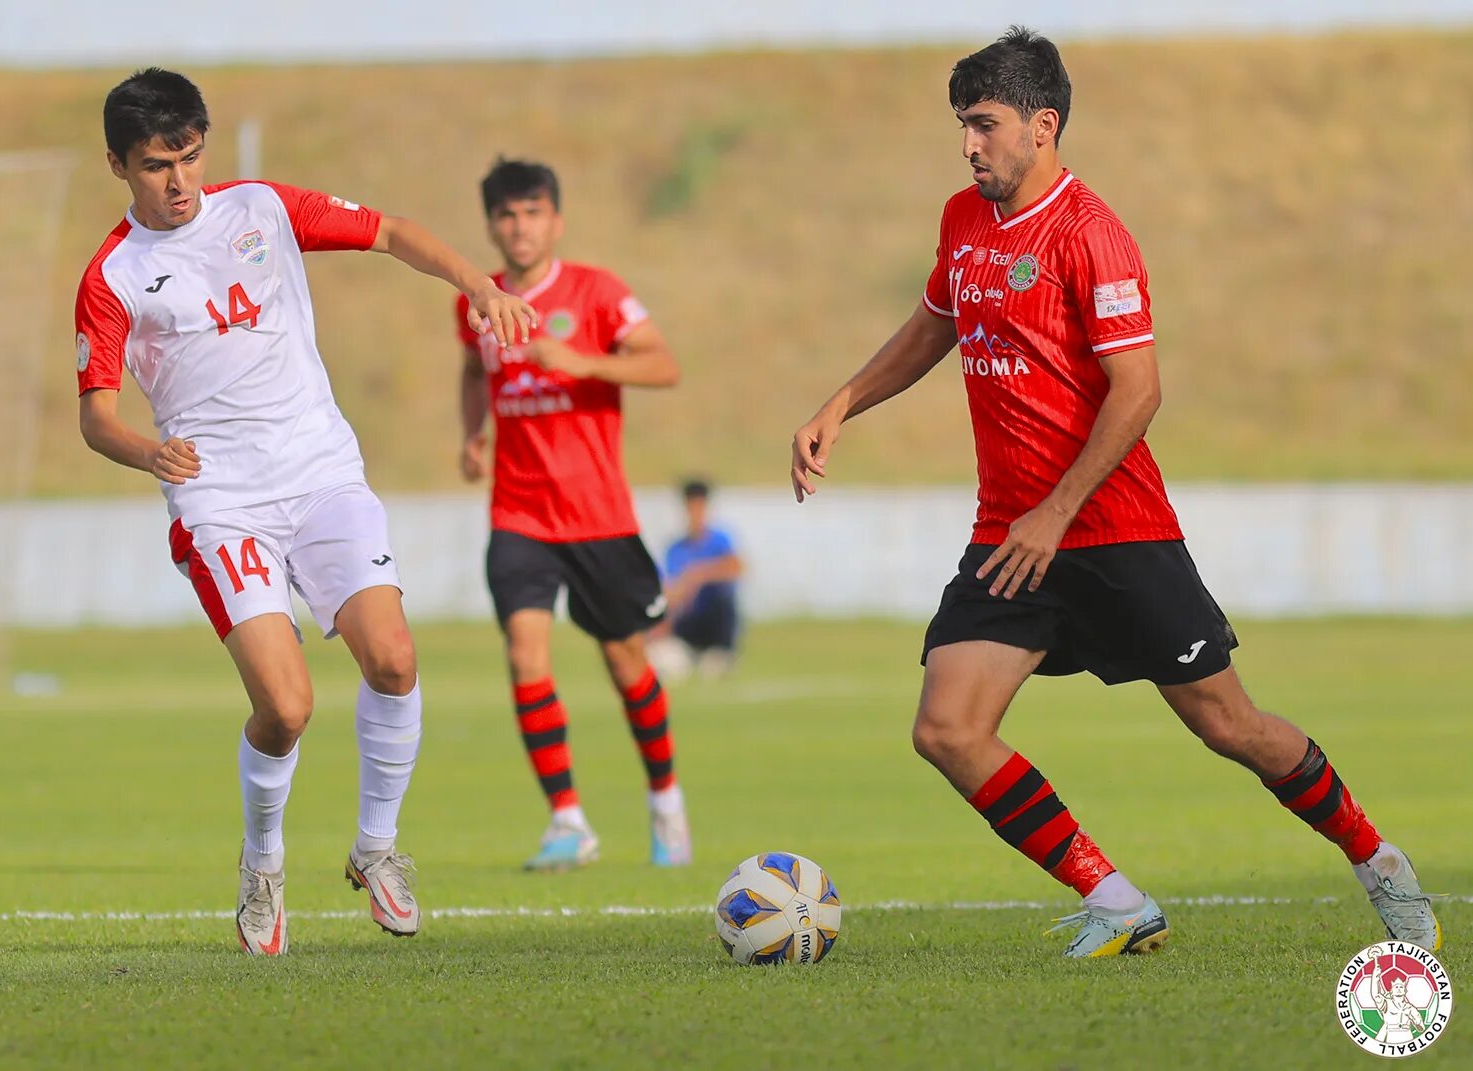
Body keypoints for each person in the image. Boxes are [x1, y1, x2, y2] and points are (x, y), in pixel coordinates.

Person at [789, 28, 1440, 958]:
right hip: (1011, 536)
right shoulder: (963, 221)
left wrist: (1058, 510)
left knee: (1233, 726)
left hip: (1115, 530)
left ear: (1041, 125)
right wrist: (841, 403)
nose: (968, 145)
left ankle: (1378, 861)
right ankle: (1116, 898)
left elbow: (1139, 390)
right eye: (961, 126)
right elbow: (934, 323)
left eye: (984, 124)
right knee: (947, 726)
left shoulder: (1093, 234)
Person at [75, 69, 535, 956]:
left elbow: (392, 231)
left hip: (321, 470)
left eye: (189, 155)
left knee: (395, 660)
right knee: (285, 708)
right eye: (153, 165)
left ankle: (377, 847)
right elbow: (96, 417)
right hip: (221, 500)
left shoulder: (264, 208)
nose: (177, 181)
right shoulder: (114, 276)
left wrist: (478, 285)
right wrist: (149, 451)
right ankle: (261, 862)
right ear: (116, 166)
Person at [456, 158, 691, 871]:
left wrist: (585, 362)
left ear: (555, 220)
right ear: (491, 224)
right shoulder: (477, 300)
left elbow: (663, 365)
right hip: (519, 513)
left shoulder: (596, 292)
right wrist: (473, 432)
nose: (518, 226)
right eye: (505, 214)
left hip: (599, 517)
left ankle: (665, 799)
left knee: (627, 663)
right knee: (525, 652)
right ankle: (567, 819)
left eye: (531, 211)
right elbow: (473, 368)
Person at [649, 478, 744, 681]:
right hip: (688, 619)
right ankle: (687, 652)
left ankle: (721, 651)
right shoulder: (675, 548)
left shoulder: (720, 540)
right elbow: (669, 590)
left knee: (721, 594)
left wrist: (698, 576)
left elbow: (737, 567)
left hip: (714, 618)